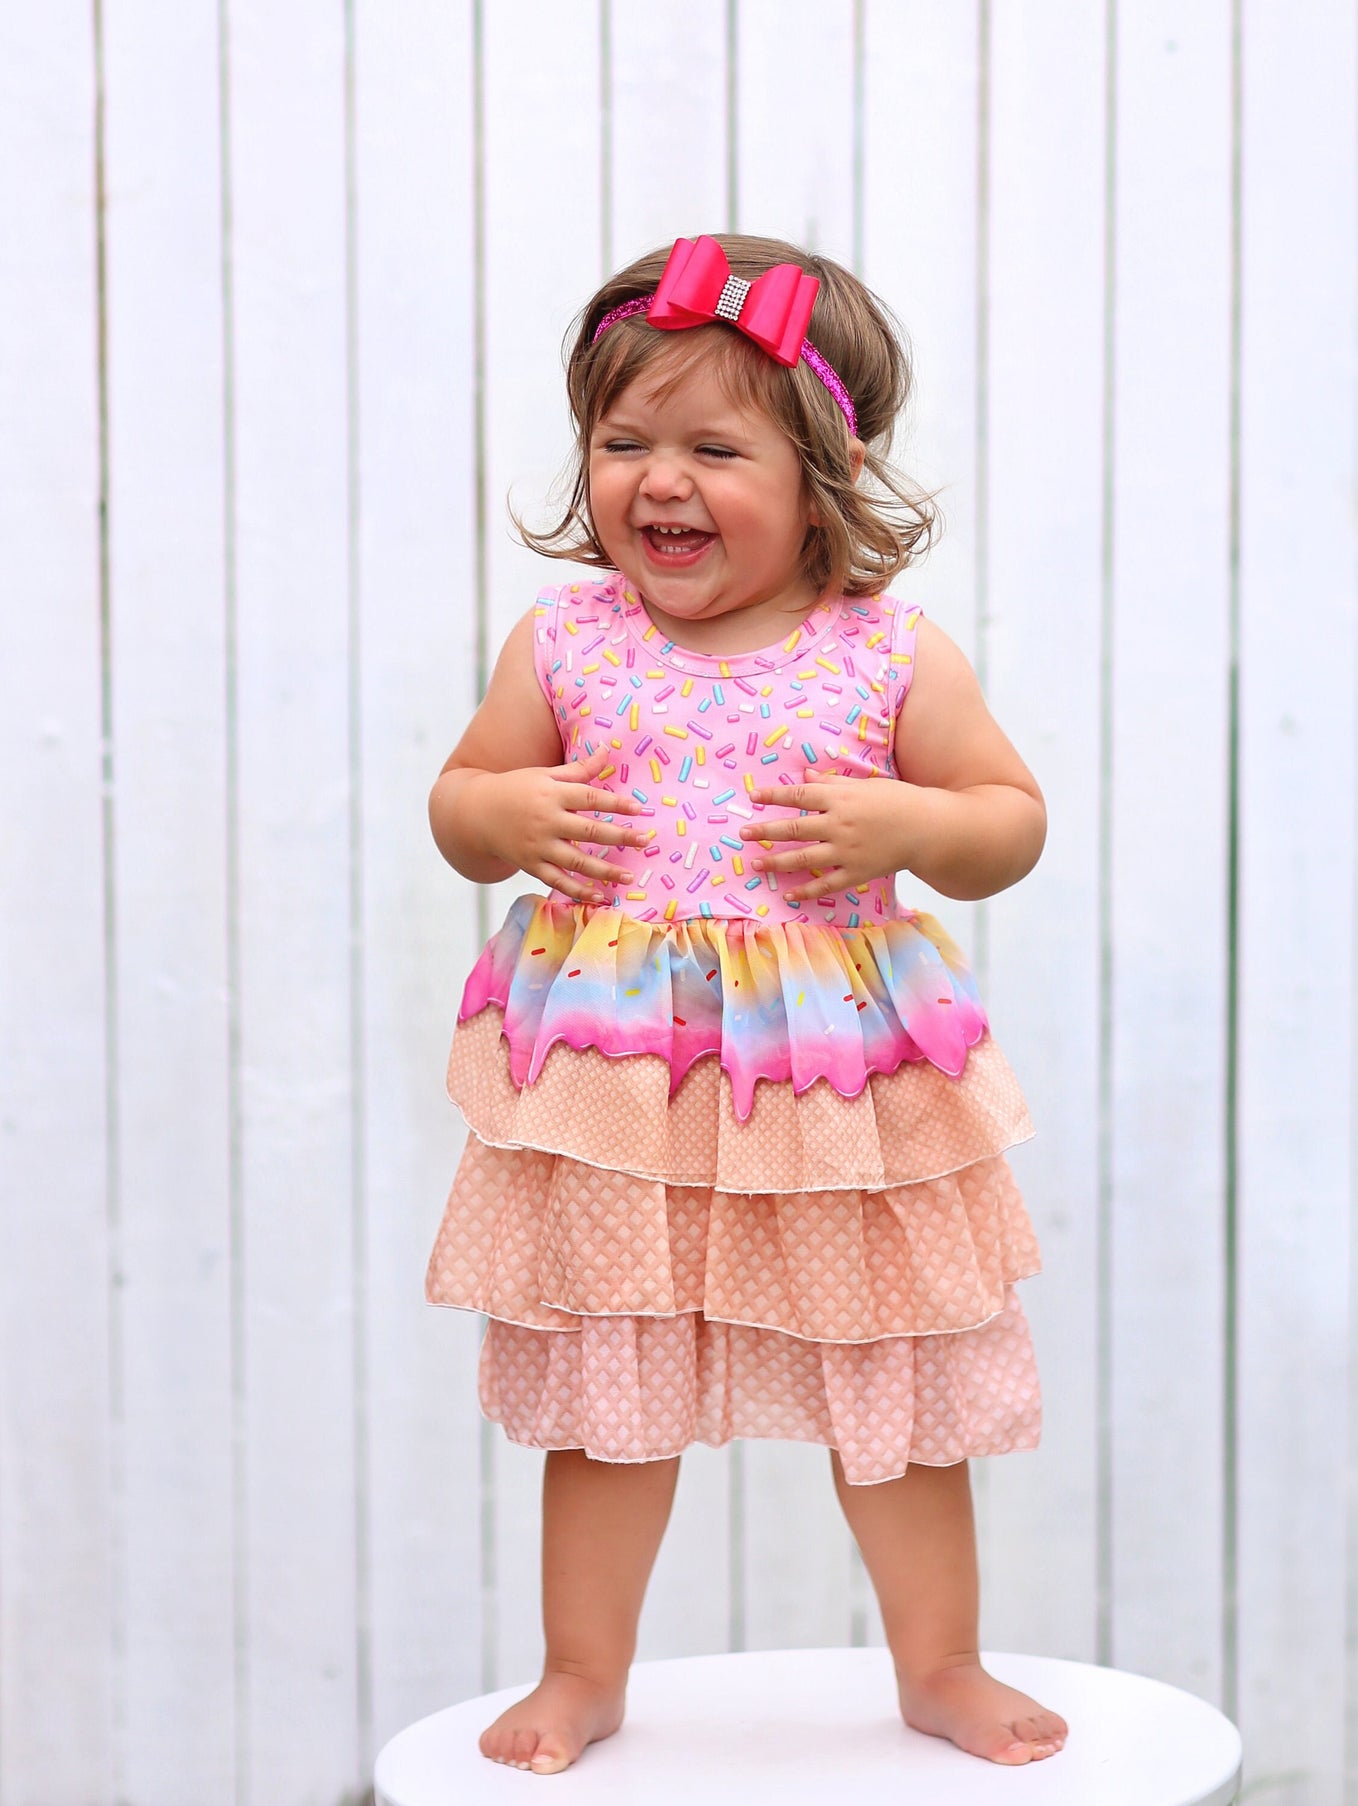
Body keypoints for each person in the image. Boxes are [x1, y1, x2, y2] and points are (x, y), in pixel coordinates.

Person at [425, 233, 1066, 1776]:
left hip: (832, 1093)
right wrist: (501, 815)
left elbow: (1008, 820)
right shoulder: (567, 641)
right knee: (606, 1384)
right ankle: (583, 1669)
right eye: (623, 439)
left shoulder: (884, 653)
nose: (657, 479)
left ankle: (939, 1660)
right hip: (618, 1092)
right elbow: (457, 797)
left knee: (890, 1375)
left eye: (714, 446)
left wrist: (909, 828)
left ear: (824, 473)